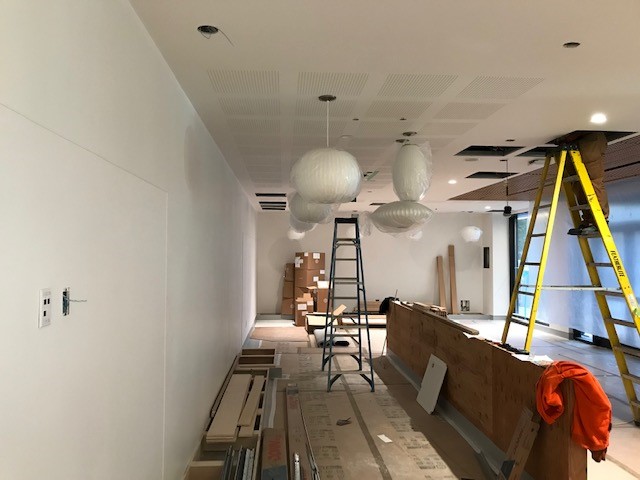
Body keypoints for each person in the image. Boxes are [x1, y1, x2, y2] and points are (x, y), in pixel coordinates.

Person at [563, 131, 609, 235]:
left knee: (594, 182)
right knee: (578, 185)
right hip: (579, 143)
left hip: (589, 139)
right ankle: (588, 220)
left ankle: (600, 221)